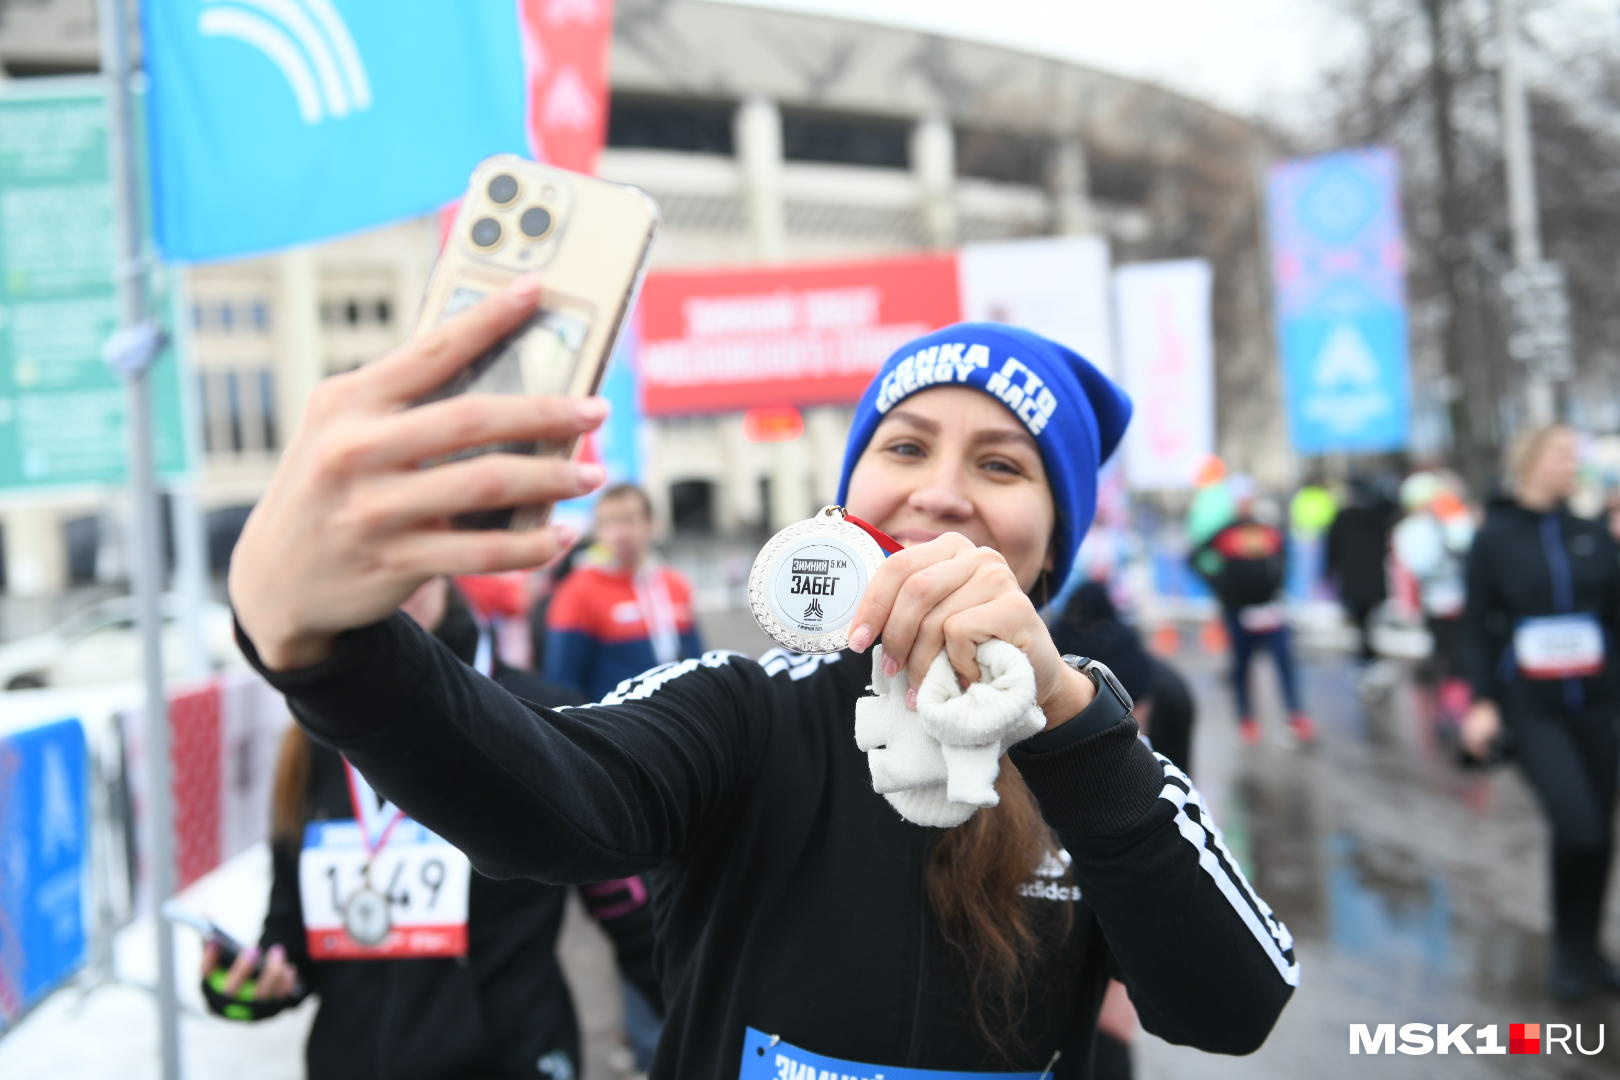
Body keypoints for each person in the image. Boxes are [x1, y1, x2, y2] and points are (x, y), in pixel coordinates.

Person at [228, 288, 1297, 1077]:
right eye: (906, 445)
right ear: (843, 508)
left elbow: (1232, 1006)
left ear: (1055, 549)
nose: (940, 494)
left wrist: (1072, 725)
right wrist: (334, 647)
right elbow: (550, 803)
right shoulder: (747, 707)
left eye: (1002, 465)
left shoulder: (1091, 743)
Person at [200, 575, 662, 1079]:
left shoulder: (540, 708)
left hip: (510, 1061)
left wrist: (731, 1023)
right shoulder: (314, 737)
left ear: (443, 562)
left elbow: (630, 911)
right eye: (368, 563)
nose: (389, 581)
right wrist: (249, 984)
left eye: (406, 558)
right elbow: (293, 933)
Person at [1460, 425, 1620, 1001]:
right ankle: (1565, 952)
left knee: (1600, 835)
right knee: (1576, 826)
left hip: (1598, 706)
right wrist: (1480, 701)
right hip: (1533, 709)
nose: (1571, 466)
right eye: (1560, 456)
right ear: (1529, 461)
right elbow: (1476, 627)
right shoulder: (1495, 537)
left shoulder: (1593, 532)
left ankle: (1590, 951)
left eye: (1575, 457)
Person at [544, 482, 703, 703]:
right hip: (615, 727)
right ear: (597, 531)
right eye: (608, 523)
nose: (620, 533)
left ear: (650, 524)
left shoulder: (675, 584)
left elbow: (697, 661)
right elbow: (563, 683)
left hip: (680, 719)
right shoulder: (575, 592)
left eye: (629, 520)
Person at [1190, 477, 1314, 745]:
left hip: (1270, 608)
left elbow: (1284, 555)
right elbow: (1194, 557)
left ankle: (1295, 715)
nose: (1245, 504)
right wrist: (1219, 585)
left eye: (1249, 498)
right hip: (1237, 611)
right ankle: (1246, 719)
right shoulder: (1223, 532)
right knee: (1242, 666)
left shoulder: (1267, 530)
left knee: (1284, 662)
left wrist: (1278, 581)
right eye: (1240, 499)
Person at [1390, 471, 1474, 722]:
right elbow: (1419, 565)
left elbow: (1470, 545)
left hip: (1464, 601)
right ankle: (1453, 712)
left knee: (1466, 658)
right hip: (1437, 604)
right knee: (1448, 659)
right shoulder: (1411, 530)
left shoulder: (1453, 519)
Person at [1325, 476, 1397, 684]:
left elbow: (1332, 547)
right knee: (1366, 623)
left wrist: (1329, 571)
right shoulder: (1376, 516)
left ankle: (1367, 658)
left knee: (1363, 623)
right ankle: (1368, 658)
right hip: (1370, 579)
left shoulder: (1345, 516)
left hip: (1354, 580)